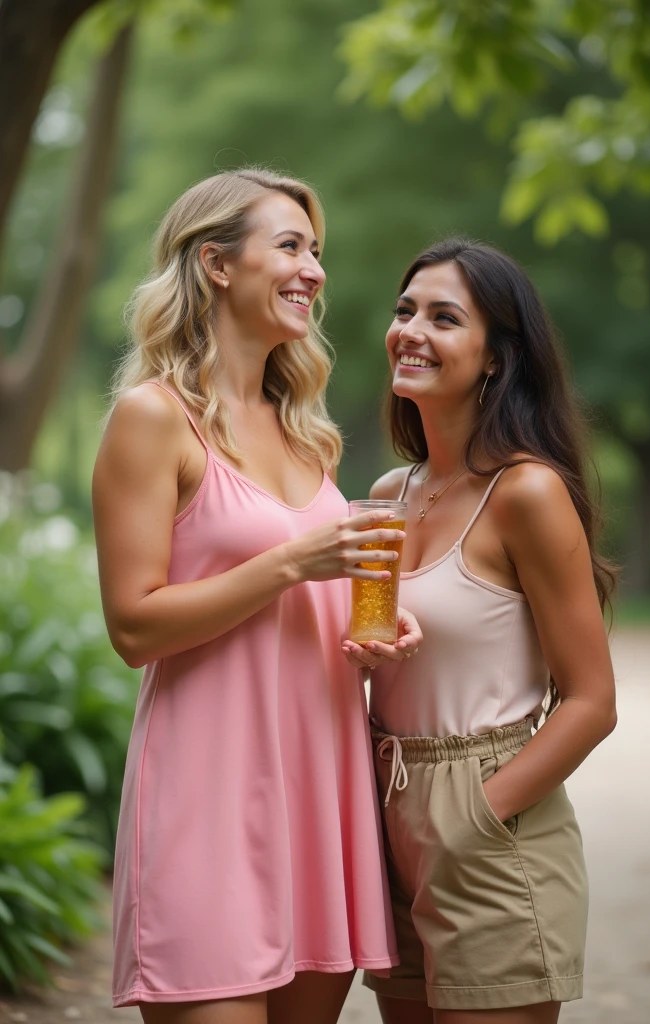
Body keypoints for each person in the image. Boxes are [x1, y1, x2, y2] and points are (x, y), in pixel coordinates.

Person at [92, 168, 423, 1024]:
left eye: (318, 252)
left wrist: (371, 628)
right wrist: (290, 565)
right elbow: (133, 626)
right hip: (208, 790)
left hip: (320, 784)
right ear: (216, 264)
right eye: (290, 246)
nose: (314, 268)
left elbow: (311, 596)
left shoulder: (308, 432)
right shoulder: (153, 417)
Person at [351, 237, 617, 1024]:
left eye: (444, 317)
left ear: (496, 357)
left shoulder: (526, 492)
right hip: (385, 804)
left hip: (488, 825)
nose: (411, 331)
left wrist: (472, 816)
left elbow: (592, 701)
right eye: (405, 311)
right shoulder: (387, 494)